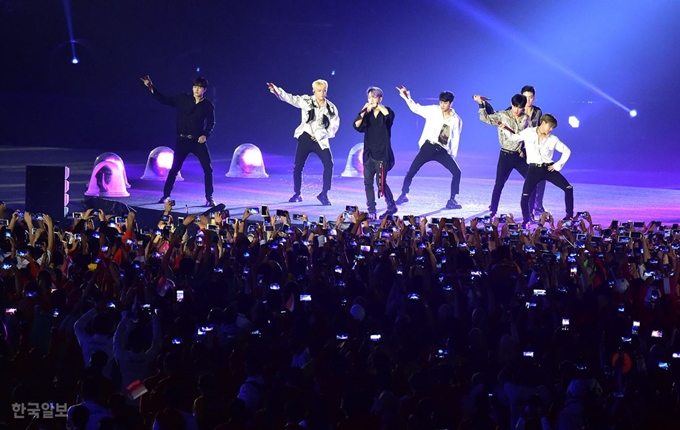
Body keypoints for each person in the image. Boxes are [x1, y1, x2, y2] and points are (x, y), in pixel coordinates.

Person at [141, 76, 216, 206]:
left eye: (199, 87)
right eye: (195, 87)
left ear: (204, 89)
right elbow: (164, 100)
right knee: (174, 169)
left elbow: (211, 122)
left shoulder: (207, 105)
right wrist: (151, 87)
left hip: (197, 141)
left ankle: (209, 198)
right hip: (182, 140)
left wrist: (205, 135)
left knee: (208, 169)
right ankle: (165, 195)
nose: (196, 89)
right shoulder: (183, 99)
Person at [268, 80, 340, 205]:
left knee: (329, 164)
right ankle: (297, 193)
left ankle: (324, 194)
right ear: (314, 91)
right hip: (306, 137)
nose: (322, 93)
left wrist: (321, 134)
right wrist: (276, 90)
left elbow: (334, 125)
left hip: (321, 140)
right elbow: (290, 98)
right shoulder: (306, 101)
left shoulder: (331, 108)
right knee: (298, 166)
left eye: (324, 90)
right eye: (319, 91)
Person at [395, 87, 463, 209]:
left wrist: (452, 155)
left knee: (457, 172)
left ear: (451, 103)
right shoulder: (433, 110)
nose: (442, 105)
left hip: (441, 151)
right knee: (411, 171)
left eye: (445, 102)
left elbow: (456, 138)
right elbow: (415, 108)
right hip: (428, 147)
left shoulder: (456, 120)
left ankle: (452, 200)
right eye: (441, 102)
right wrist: (406, 96)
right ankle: (403, 194)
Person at [505, 114, 573, 228]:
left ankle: (569, 217)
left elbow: (567, 151)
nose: (550, 130)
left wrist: (556, 166)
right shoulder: (529, 132)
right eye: (549, 126)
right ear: (543, 123)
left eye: (552, 128)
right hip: (533, 170)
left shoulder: (553, 139)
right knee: (525, 196)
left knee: (568, 188)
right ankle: (526, 220)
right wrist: (505, 128)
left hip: (548, 169)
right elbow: (514, 138)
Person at [473, 93, 532, 217]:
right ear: (511, 104)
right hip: (505, 156)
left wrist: (524, 150)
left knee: (532, 181)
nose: (517, 110)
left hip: (520, 157)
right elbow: (485, 119)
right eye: (515, 106)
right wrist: (480, 105)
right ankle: (493, 210)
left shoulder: (526, 118)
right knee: (499, 184)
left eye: (520, 107)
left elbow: (530, 136)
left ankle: (530, 212)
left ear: (523, 107)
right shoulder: (503, 115)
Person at [353, 86, 397, 219]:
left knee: (381, 183)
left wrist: (378, 106)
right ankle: (371, 210)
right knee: (368, 183)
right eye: (369, 97)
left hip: (382, 155)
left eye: (374, 96)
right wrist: (363, 111)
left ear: (380, 98)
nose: (371, 99)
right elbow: (356, 125)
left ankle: (391, 205)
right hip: (368, 154)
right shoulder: (367, 114)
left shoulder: (387, 111)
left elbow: (388, 116)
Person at [519, 86, 547, 216]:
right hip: (520, 149)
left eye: (530, 97)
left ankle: (538, 204)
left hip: (534, 149)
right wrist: (519, 148)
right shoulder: (517, 110)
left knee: (541, 176)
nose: (528, 100)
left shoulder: (538, 112)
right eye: (525, 97)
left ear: (534, 98)